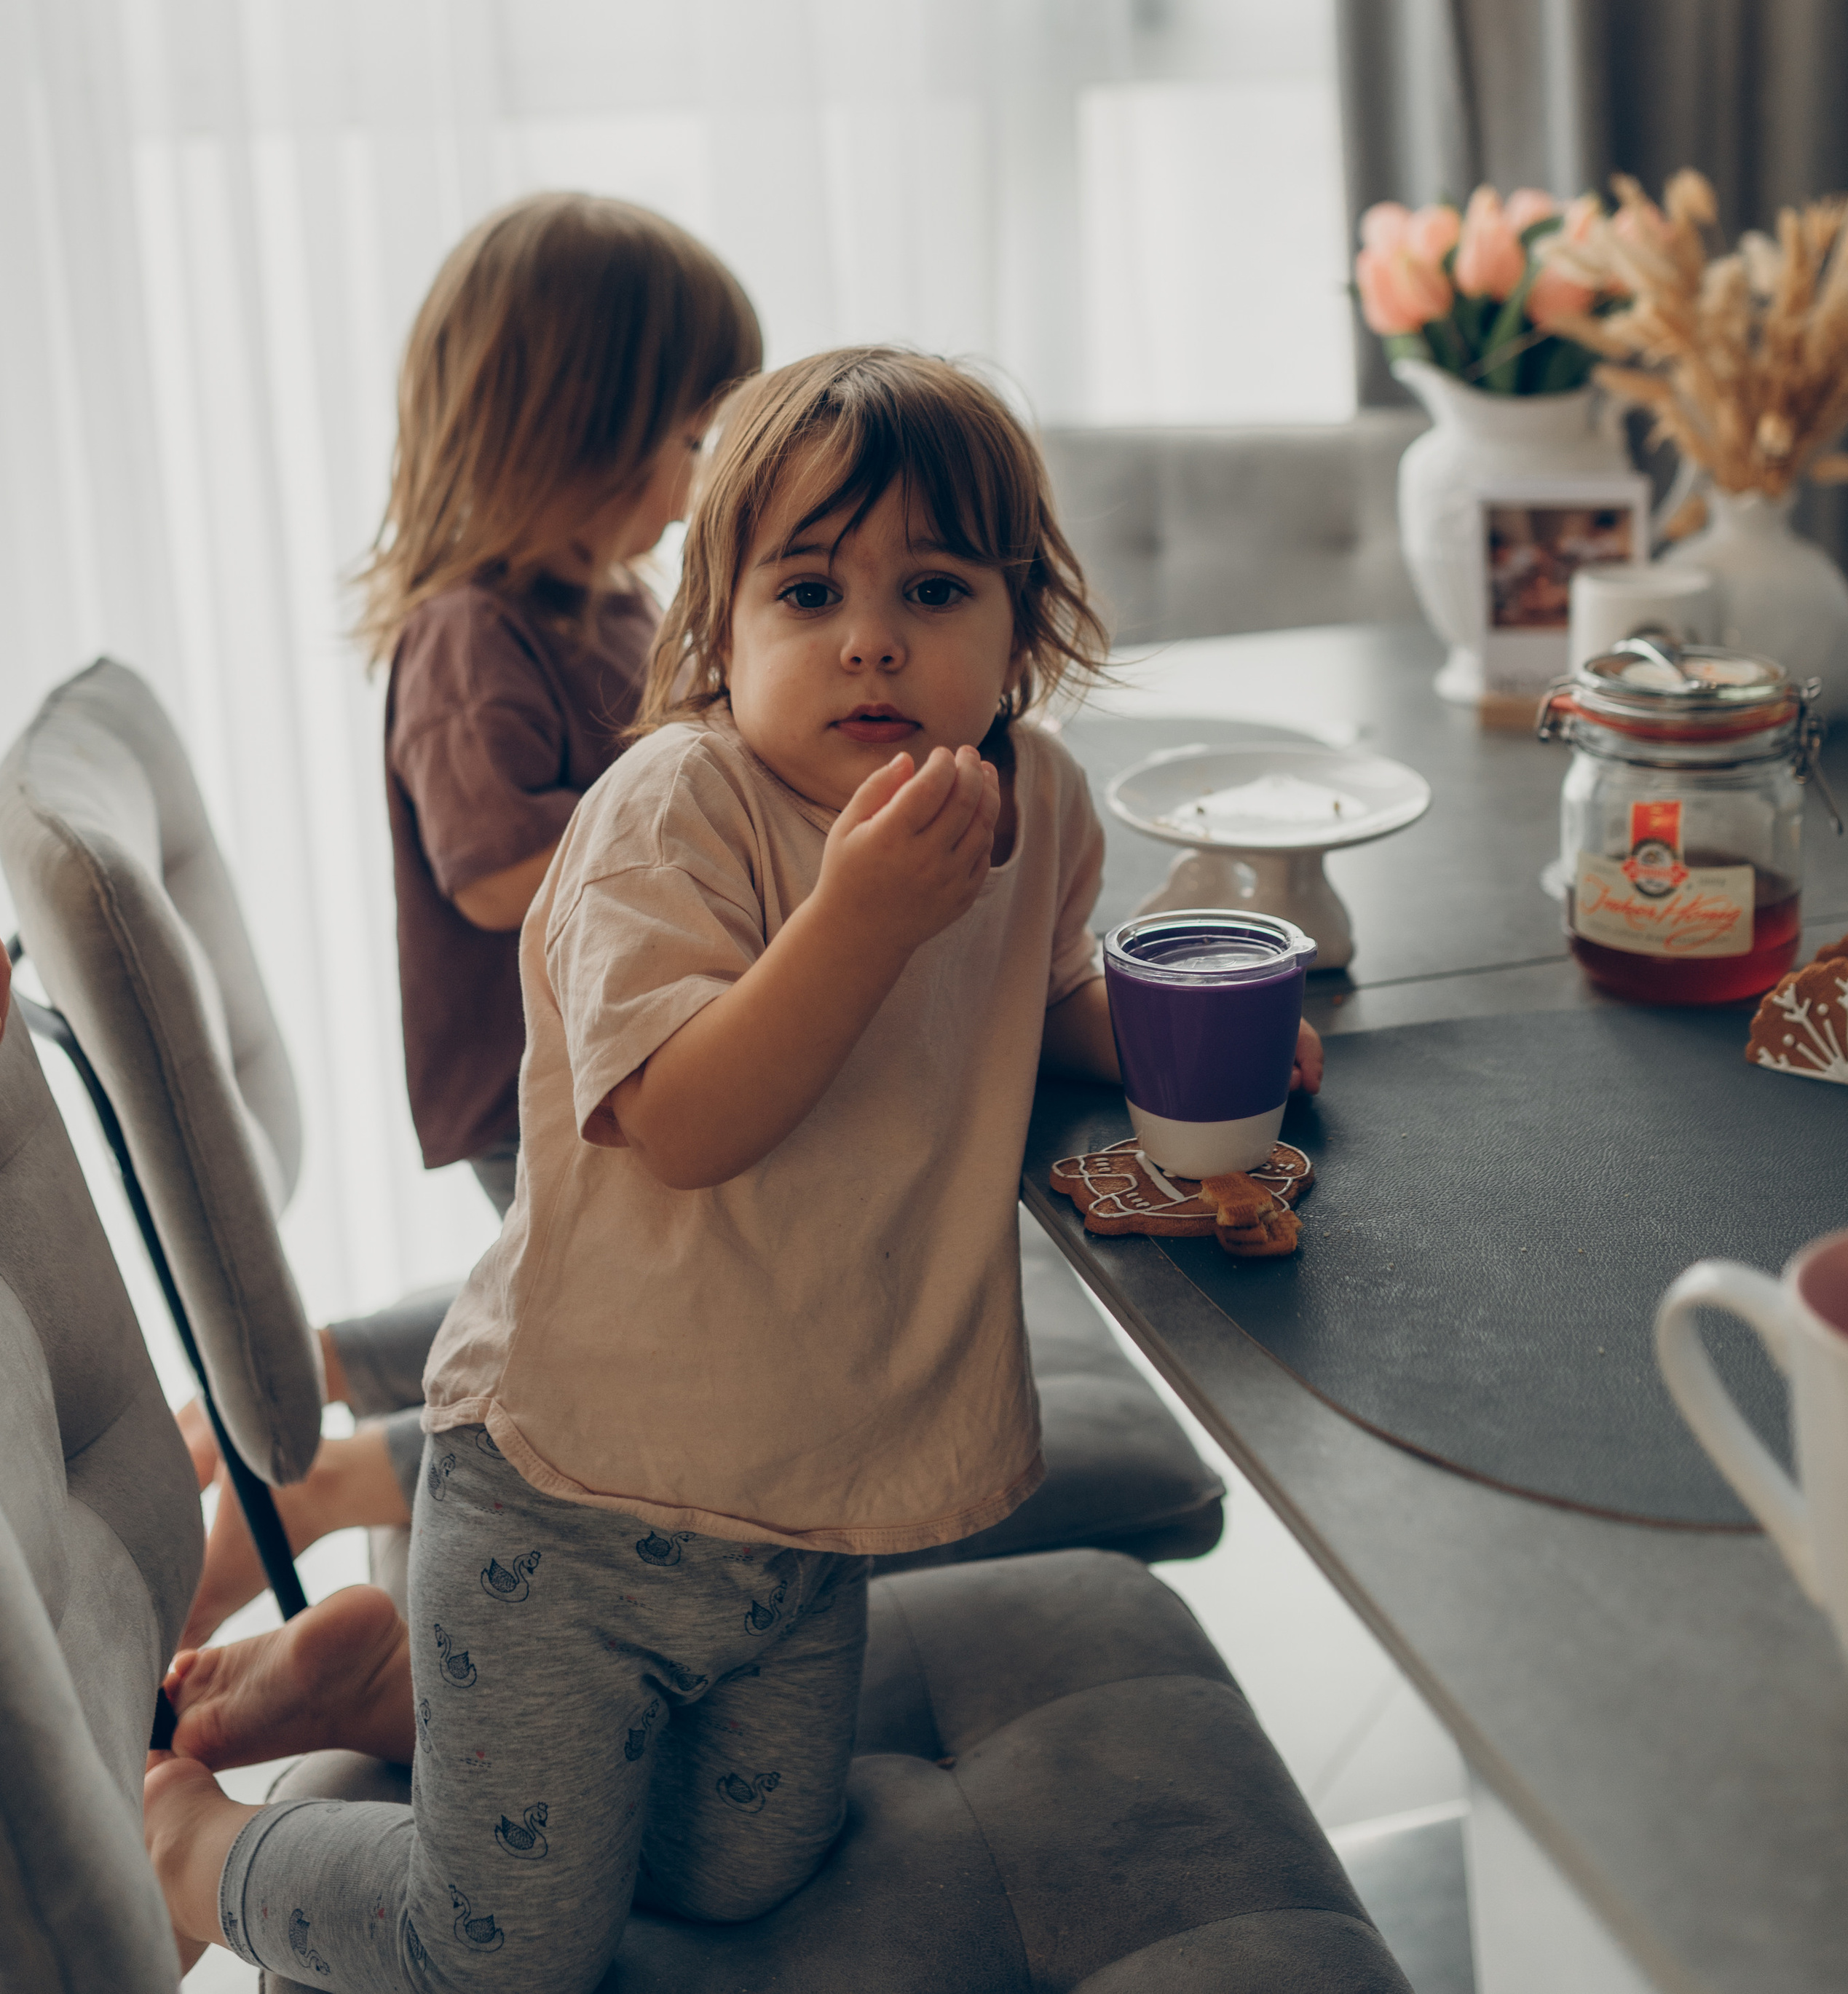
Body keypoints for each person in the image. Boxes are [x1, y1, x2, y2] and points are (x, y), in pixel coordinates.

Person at [146, 347, 1323, 1987]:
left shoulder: (1026, 801)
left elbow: (1027, 992)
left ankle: (389, 1685)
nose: (870, 636)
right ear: (716, 634)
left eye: (931, 586)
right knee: (500, 1947)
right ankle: (200, 1847)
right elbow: (686, 1116)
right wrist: (853, 918)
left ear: (1023, 624)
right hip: (569, 1502)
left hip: (801, 1516)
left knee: (738, 1872)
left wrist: (1167, 1028)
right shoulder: (674, 811)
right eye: (805, 589)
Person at [175, 194, 762, 1647]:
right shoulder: (468, 635)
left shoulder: (608, 605)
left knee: (564, 1302)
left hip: (618, 1056)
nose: (703, 485)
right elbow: (495, 867)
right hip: (552, 1082)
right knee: (613, 1355)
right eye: (693, 440)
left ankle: (317, 1370)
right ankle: (338, 1484)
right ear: (571, 431)